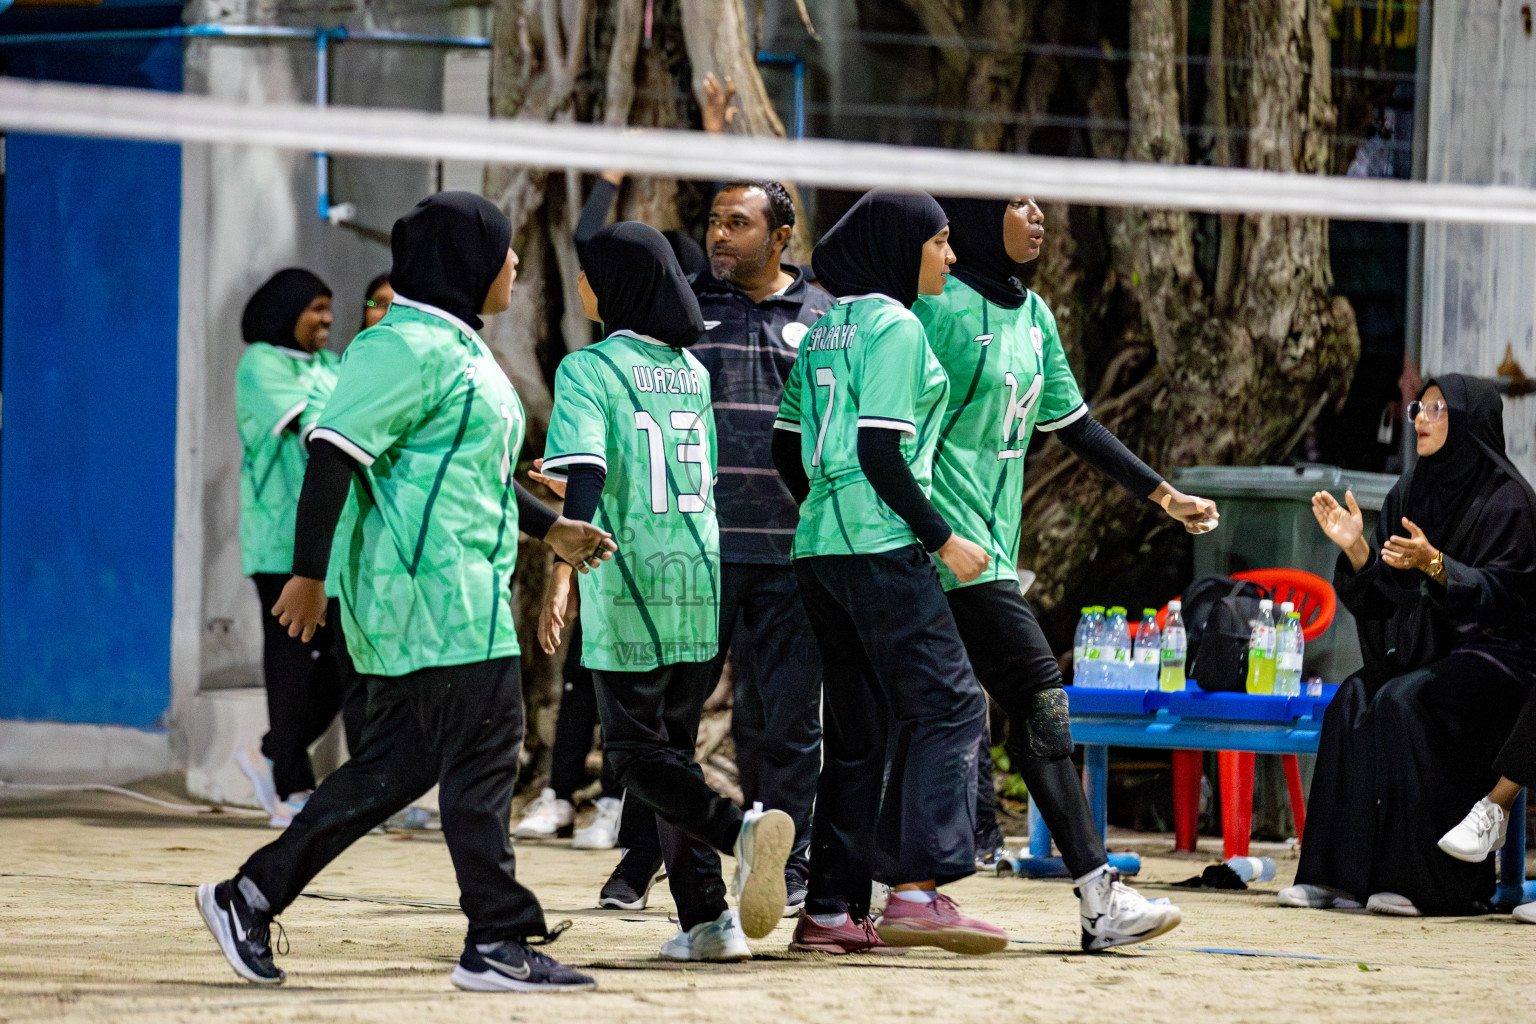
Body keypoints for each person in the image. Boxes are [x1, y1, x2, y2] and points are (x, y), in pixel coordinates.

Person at [197, 192, 615, 993]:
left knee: (390, 770)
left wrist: (550, 529)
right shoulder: (403, 347)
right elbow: (331, 454)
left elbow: (470, 478)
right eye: (503, 248)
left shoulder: (454, 348)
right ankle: (497, 940)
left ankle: (248, 895)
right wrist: (310, 577)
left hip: (452, 592)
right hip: (430, 599)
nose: (517, 263)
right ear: (467, 261)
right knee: (488, 753)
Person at [905, 194, 1208, 950]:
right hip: (940, 549)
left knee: (960, 717)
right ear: (979, 218)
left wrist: (1161, 494)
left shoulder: (1033, 314)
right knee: (1035, 700)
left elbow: (1075, 424)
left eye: (1040, 203)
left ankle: (890, 886)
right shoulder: (937, 307)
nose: (1037, 215)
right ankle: (1096, 897)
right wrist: (928, 531)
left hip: (992, 553)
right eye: (1017, 202)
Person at [538, 221, 795, 962]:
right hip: (698, 577)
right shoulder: (689, 369)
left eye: (588, 274)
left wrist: (562, 568)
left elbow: (587, 474)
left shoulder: (590, 367)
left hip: (631, 579)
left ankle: (738, 831)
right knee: (672, 750)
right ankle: (708, 922)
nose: (581, 287)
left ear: (617, 284)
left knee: (634, 752)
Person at [771, 189, 1007, 956]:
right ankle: (915, 891)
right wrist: (943, 540)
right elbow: (880, 451)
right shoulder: (896, 327)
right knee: (953, 707)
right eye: (939, 242)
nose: (950, 255)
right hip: (882, 546)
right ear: (902, 246)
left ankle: (831, 912)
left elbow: (785, 449)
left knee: (858, 735)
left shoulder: (821, 329)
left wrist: (827, 511)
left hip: (820, 553)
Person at [1280, 375, 1536, 917]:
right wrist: (1357, 553)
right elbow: (1392, 597)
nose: (1421, 416)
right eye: (1421, 405)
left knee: (1404, 702)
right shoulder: (1411, 491)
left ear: (1467, 423)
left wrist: (1436, 564)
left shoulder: (1509, 502)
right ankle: (1335, 874)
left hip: (1499, 659)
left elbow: (1504, 595)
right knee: (1351, 698)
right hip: (1433, 648)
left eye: (1438, 409)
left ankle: (1429, 884)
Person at [689, 178, 832, 915]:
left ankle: (791, 863)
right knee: (671, 722)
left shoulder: (827, 315)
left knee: (786, 722)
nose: (719, 235)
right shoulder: (684, 305)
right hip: (697, 553)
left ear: (780, 237)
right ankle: (685, 870)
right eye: (714, 222)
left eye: (737, 223)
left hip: (792, 553)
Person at [234, 268, 357, 827]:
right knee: (291, 663)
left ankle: (270, 751)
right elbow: (313, 426)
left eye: (330, 307)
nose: (328, 319)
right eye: (316, 308)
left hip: (329, 538)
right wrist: (342, 441)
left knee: (339, 661)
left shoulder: (333, 366)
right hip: (280, 541)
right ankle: (289, 785)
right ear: (286, 311)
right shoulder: (260, 363)